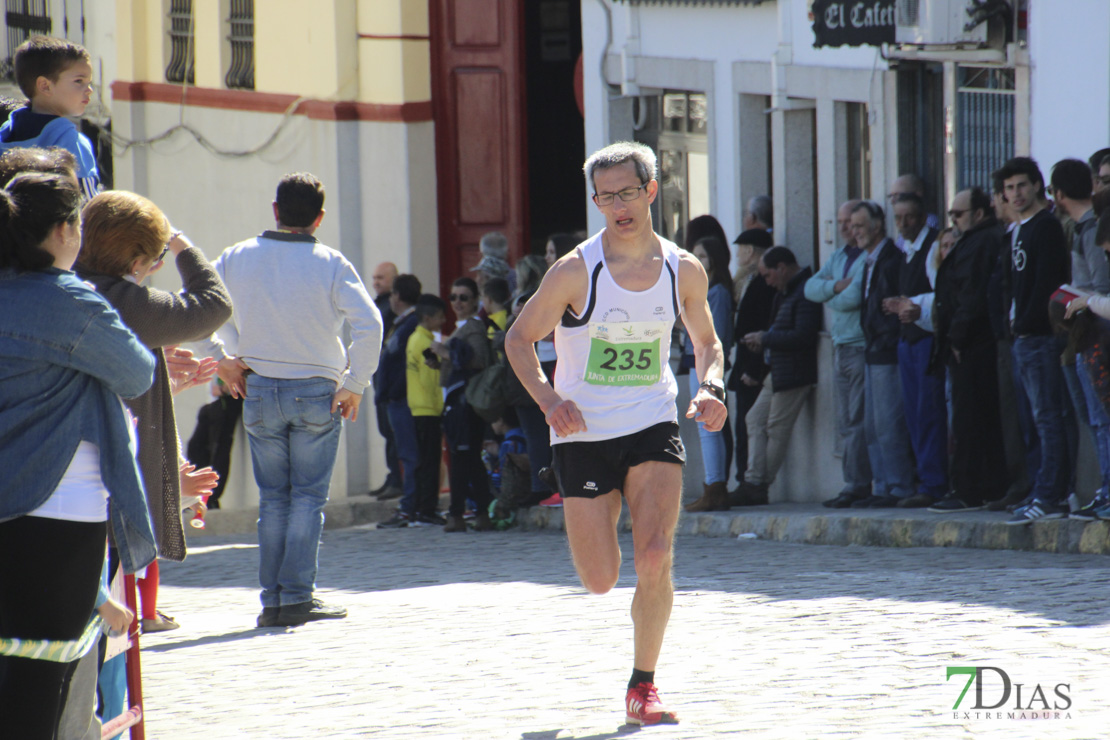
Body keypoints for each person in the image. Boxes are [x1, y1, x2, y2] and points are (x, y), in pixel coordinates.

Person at [505, 141, 726, 726]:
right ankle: (596, 518)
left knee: (655, 554)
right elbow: (518, 339)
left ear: (651, 190)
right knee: (601, 579)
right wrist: (550, 401)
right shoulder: (576, 270)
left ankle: (643, 686)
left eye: (628, 193)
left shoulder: (684, 268)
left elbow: (707, 342)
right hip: (582, 432)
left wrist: (712, 387)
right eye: (605, 197)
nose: (618, 206)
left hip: (652, 417)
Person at [0, 172, 157, 738]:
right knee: (40, 687)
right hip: (56, 512)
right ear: (67, 230)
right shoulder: (66, 300)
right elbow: (135, 369)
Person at [204, 172, 383, 626]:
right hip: (317, 392)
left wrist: (222, 359)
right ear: (319, 217)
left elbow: (202, 309)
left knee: (274, 499)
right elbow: (370, 325)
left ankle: (273, 599)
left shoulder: (236, 256)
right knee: (306, 497)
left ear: (275, 209)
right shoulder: (331, 262)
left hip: (259, 387)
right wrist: (355, 383)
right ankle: (298, 596)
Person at [76, 190, 231, 632]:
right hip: (109, 469)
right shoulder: (127, 301)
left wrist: (169, 381)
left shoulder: (67, 286)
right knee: (108, 609)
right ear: (138, 261)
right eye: (156, 256)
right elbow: (214, 304)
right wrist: (180, 243)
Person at [999, 157, 1074, 524]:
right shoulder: (1019, 230)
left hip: (1041, 338)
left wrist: (1029, 322)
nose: (1015, 194)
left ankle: (1052, 495)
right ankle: (1040, 489)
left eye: (1021, 186)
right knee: (1033, 420)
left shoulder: (1045, 227)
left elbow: (1048, 284)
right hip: (1021, 338)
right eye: (1009, 188)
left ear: (1037, 186)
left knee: (1049, 419)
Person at [928, 187, 1008, 512]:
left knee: (971, 418)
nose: (953, 220)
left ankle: (970, 488)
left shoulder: (981, 241)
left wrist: (958, 337)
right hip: (971, 341)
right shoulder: (976, 240)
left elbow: (971, 294)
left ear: (977, 214)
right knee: (973, 417)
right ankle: (981, 485)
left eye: (957, 215)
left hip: (974, 343)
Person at [732, 246, 820, 505]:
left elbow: (803, 335)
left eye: (768, 275)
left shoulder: (804, 290)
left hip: (794, 373)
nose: (767, 282)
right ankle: (753, 480)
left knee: (776, 428)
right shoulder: (785, 292)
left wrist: (765, 338)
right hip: (777, 371)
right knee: (754, 419)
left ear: (782, 268)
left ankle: (758, 484)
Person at [1050, 159, 1110, 518]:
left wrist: (1080, 301)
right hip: (1087, 332)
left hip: (1097, 334)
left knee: (1101, 418)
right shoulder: (1082, 228)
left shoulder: (1091, 229)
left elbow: (1100, 289)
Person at [881, 193, 948, 508]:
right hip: (907, 339)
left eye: (908, 217)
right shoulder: (903, 250)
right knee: (913, 414)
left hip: (927, 339)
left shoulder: (933, 246)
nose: (903, 224)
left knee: (929, 412)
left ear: (922, 217)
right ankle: (925, 478)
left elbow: (941, 294)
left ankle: (934, 483)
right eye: (898, 218)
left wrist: (914, 308)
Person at [806, 199, 872, 508]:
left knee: (858, 418)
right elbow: (810, 289)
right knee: (846, 419)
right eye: (842, 221)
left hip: (859, 343)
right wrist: (836, 288)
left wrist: (832, 293)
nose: (846, 227)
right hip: (839, 344)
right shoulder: (839, 256)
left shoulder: (868, 257)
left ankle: (859, 484)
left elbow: (854, 298)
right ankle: (852, 481)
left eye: (852, 222)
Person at [854, 200, 917, 507]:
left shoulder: (891, 258)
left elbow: (892, 305)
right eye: (852, 227)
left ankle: (899, 486)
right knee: (872, 427)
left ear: (877, 226)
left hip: (886, 350)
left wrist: (883, 338)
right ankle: (882, 487)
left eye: (860, 226)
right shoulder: (868, 259)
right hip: (871, 350)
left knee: (889, 424)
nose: (855, 233)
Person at [0, 36, 99, 199]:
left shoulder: (5, 136)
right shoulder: (72, 142)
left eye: (89, 82)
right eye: (79, 81)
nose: (89, 90)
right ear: (45, 86)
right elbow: (87, 206)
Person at [433, 277, 494, 532]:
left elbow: (479, 360)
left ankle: (459, 513)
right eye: (454, 297)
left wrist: (444, 352)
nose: (458, 302)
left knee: (461, 458)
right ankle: (478, 512)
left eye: (464, 298)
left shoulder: (474, 327)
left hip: (466, 403)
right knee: (466, 459)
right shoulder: (462, 327)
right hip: (456, 400)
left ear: (475, 301)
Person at [683, 235, 735, 511]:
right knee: (705, 426)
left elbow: (717, 338)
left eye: (702, 257)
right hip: (695, 361)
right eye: (694, 256)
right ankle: (712, 485)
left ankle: (715, 487)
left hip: (707, 365)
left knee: (709, 426)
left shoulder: (718, 292)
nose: (698, 262)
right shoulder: (701, 290)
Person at [728, 228, 776, 492]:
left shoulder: (761, 282)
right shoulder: (745, 281)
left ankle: (749, 481)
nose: (737, 255)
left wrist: (753, 369)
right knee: (742, 425)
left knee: (750, 425)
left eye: (740, 250)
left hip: (752, 366)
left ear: (749, 251)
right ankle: (744, 479)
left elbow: (760, 325)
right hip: (744, 364)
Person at [377, 274, 426, 527]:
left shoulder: (411, 324)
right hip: (397, 398)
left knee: (409, 455)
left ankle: (410, 507)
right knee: (406, 453)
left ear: (397, 296)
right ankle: (412, 505)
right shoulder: (403, 323)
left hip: (405, 398)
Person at [406, 294, 447, 527]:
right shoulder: (425, 343)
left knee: (424, 462)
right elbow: (430, 379)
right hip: (428, 409)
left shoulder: (415, 338)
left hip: (419, 408)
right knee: (430, 463)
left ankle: (419, 510)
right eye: (440, 317)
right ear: (428, 317)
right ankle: (426, 511)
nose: (442, 321)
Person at [370, 261, 402, 499]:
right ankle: (392, 476)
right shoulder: (376, 303)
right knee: (385, 429)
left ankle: (398, 480)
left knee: (394, 431)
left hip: (392, 379)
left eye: (381, 277)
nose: (376, 282)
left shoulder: (393, 307)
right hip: (378, 376)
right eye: (374, 278)